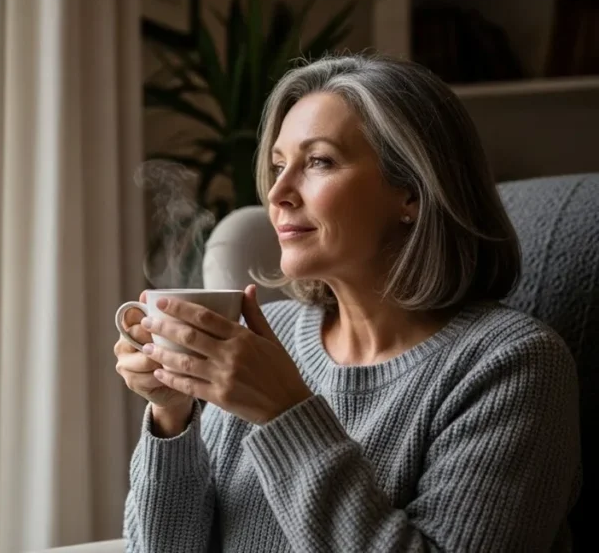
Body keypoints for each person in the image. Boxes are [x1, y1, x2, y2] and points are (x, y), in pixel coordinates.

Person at [115, 54, 581, 552]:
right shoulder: (261, 335)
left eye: (319, 161)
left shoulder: (511, 365)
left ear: (413, 194)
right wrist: (172, 417)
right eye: (277, 166)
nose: (278, 192)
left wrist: (284, 414)